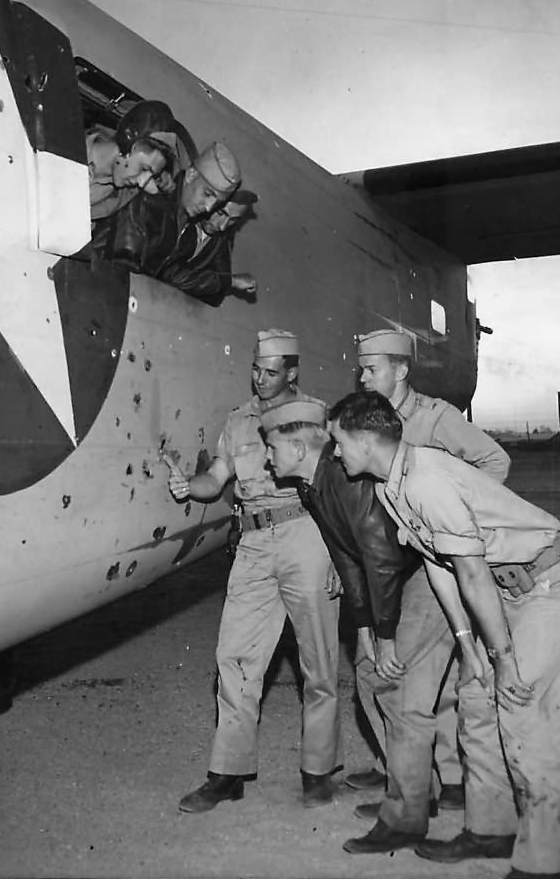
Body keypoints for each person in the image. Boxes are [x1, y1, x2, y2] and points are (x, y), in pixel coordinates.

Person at [330, 390, 560, 879]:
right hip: (505, 589)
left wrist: (502, 657)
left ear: (365, 439)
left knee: (525, 714)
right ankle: (491, 829)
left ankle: (541, 865)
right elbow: (439, 564)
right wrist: (469, 646)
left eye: (339, 442)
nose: (335, 453)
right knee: (477, 696)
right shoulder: (389, 486)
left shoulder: (426, 480)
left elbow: (470, 572)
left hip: (550, 583)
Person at [259, 399, 472, 854]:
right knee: (373, 678)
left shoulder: (341, 479)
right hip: (396, 584)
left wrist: (386, 636)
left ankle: (407, 814)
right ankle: (418, 792)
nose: (266, 457)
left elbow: (379, 560)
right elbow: (349, 562)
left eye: (272, 447)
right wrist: (362, 632)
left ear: (297, 447)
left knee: (398, 692)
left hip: (420, 580)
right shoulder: (313, 485)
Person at [163, 330, 341, 812]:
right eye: (256, 370)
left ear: (292, 373)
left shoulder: (316, 416)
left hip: (307, 536)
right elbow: (216, 479)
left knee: (318, 660)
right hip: (254, 543)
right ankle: (228, 772)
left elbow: (339, 486)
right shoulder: (238, 420)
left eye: (270, 372)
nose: (259, 380)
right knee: (234, 656)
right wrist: (188, 485)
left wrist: (341, 556)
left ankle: (318, 771)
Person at [348, 328, 511, 809]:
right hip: (393, 561)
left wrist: (455, 523)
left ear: (401, 371)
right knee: (417, 672)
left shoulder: (435, 418)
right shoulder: (370, 420)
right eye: (361, 369)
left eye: (371, 369)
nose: (362, 377)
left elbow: (494, 460)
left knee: (415, 671)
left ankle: (433, 781)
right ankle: (421, 771)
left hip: (432, 562)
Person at [101, 141, 255, 302]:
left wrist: (224, 282)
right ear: (191, 175)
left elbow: (171, 275)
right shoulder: (150, 198)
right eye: (208, 194)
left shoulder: (185, 226)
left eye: (216, 203)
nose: (209, 208)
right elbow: (121, 264)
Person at [156, 188, 258, 304]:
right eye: (221, 213)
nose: (223, 226)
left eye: (232, 220)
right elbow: (169, 275)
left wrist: (217, 282)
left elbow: (215, 298)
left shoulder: (221, 240)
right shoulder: (179, 218)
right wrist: (229, 282)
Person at [86, 99, 178, 221]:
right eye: (144, 168)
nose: (141, 182)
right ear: (128, 138)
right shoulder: (63, 142)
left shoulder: (116, 194)